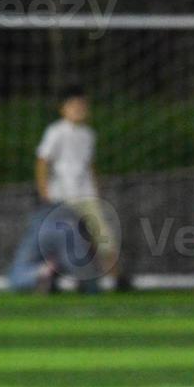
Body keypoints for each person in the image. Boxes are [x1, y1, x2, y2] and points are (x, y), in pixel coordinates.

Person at [34, 87, 131, 291]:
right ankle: (57, 277)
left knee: (101, 234)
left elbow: (89, 164)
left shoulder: (88, 134)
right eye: (74, 106)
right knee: (65, 239)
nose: (79, 109)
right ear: (63, 109)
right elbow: (43, 161)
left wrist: (96, 190)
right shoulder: (56, 131)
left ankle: (116, 278)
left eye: (82, 106)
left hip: (86, 196)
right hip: (62, 197)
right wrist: (44, 192)